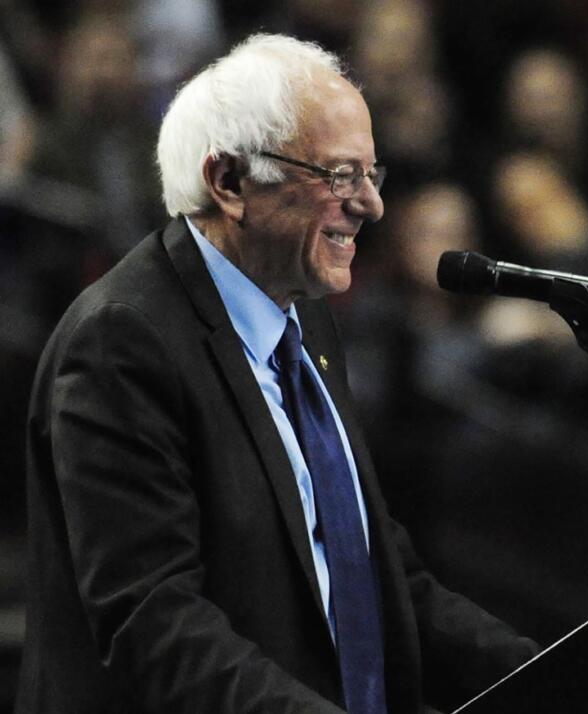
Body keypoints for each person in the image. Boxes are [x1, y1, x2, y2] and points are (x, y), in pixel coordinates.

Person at [19, 34, 537, 713]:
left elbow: (381, 579)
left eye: (371, 176)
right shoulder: (121, 342)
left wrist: (557, 678)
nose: (372, 206)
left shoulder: (305, 321)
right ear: (229, 182)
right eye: (340, 176)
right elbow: (154, 621)